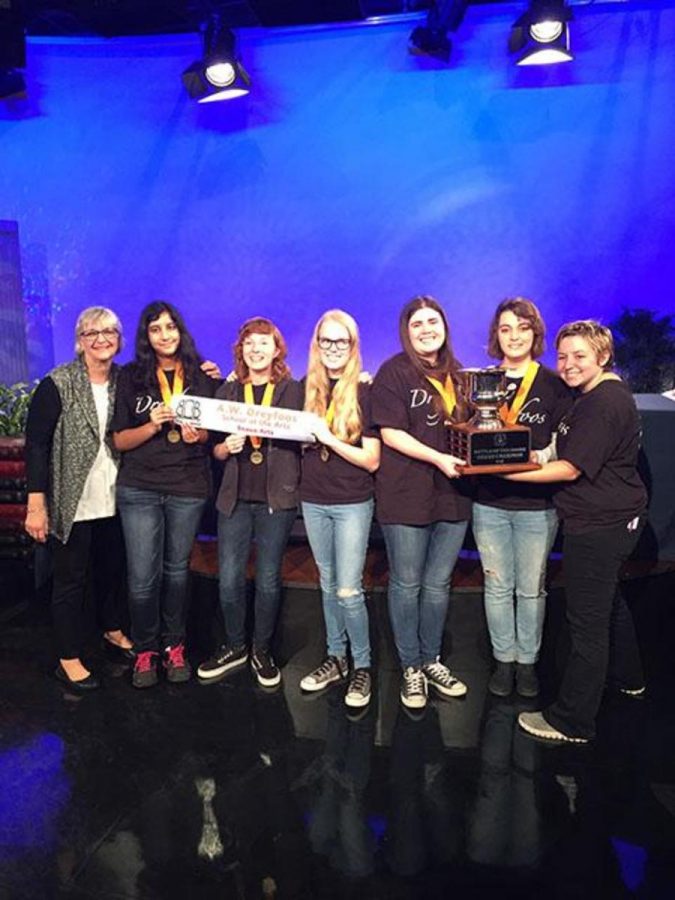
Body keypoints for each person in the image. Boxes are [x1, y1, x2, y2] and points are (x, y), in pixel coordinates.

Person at [504, 320, 647, 743]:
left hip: (599, 525)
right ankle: (629, 677)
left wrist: (503, 475)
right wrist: (529, 455)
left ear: (603, 356)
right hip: (614, 519)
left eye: (579, 356)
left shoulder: (603, 404)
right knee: (611, 604)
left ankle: (572, 721)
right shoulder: (595, 396)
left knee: (586, 622)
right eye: (563, 356)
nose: (567, 364)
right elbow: (565, 450)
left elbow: (568, 468)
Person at [371, 296, 472, 711]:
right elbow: (391, 433)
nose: (427, 329)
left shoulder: (461, 375)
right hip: (406, 492)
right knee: (407, 583)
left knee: (437, 585)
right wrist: (437, 458)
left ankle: (431, 660)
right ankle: (410, 666)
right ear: (406, 331)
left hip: (453, 494)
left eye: (433, 321)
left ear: (445, 325)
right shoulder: (394, 372)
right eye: (418, 324)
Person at [25, 306, 133, 691]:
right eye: (92, 332)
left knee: (111, 570)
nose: (101, 338)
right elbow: (36, 446)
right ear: (79, 340)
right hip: (72, 499)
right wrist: (36, 505)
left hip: (117, 497)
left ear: (119, 337)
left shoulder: (127, 380)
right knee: (70, 580)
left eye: (109, 331)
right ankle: (67, 658)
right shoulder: (58, 382)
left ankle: (112, 629)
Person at [112, 301, 215, 689]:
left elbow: (211, 435)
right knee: (142, 577)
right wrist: (153, 425)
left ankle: (174, 646)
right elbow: (120, 440)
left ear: (180, 330)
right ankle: (145, 649)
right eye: (156, 329)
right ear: (147, 336)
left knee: (176, 573)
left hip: (187, 486)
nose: (165, 335)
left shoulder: (200, 374)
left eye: (170, 327)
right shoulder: (131, 376)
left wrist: (198, 434)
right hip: (139, 487)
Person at [197, 317, 303, 688]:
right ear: (240, 350)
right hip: (234, 498)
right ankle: (235, 645)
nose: (256, 350)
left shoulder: (293, 390)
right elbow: (213, 448)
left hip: (278, 497)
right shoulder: (227, 393)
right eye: (249, 343)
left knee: (269, 579)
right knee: (229, 580)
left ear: (277, 350)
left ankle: (261, 650)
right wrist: (226, 447)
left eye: (263, 343)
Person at [472, 298, 571, 698]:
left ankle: (527, 664)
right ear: (496, 334)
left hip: (537, 506)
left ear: (535, 334)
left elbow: (565, 441)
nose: (514, 336)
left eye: (523, 328)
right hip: (490, 502)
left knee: (531, 588)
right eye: (506, 329)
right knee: (496, 587)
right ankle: (503, 661)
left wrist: (541, 455)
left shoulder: (552, 384)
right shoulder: (481, 381)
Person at [299, 310, 381, 709]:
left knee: (349, 590)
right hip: (313, 500)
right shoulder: (304, 388)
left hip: (352, 502)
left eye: (341, 341)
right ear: (316, 345)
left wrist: (327, 437)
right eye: (326, 341)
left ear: (353, 347)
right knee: (327, 584)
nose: (333, 349)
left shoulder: (367, 390)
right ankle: (336, 658)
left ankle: (363, 665)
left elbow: (372, 460)